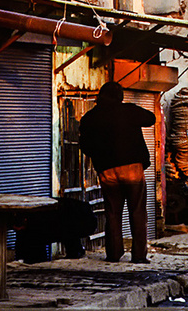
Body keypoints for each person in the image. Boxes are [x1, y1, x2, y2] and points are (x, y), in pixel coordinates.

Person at [79, 81, 156, 263]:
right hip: (132, 169)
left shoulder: (90, 117)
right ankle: (138, 256)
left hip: (107, 170)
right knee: (137, 211)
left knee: (112, 212)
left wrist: (100, 158)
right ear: (120, 97)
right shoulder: (129, 111)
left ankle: (113, 254)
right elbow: (151, 118)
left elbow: (84, 145)